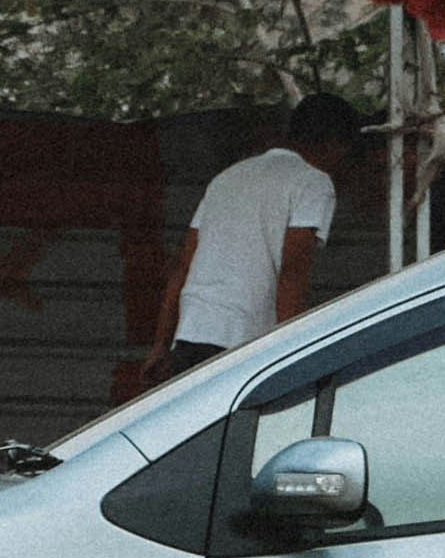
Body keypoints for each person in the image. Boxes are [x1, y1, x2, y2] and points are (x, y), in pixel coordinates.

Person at [156, 91, 366, 373]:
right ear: (335, 144)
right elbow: (293, 270)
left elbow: (184, 264)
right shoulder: (314, 183)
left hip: (191, 331)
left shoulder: (228, 176)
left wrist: (160, 346)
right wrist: (289, 349)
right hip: (242, 338)